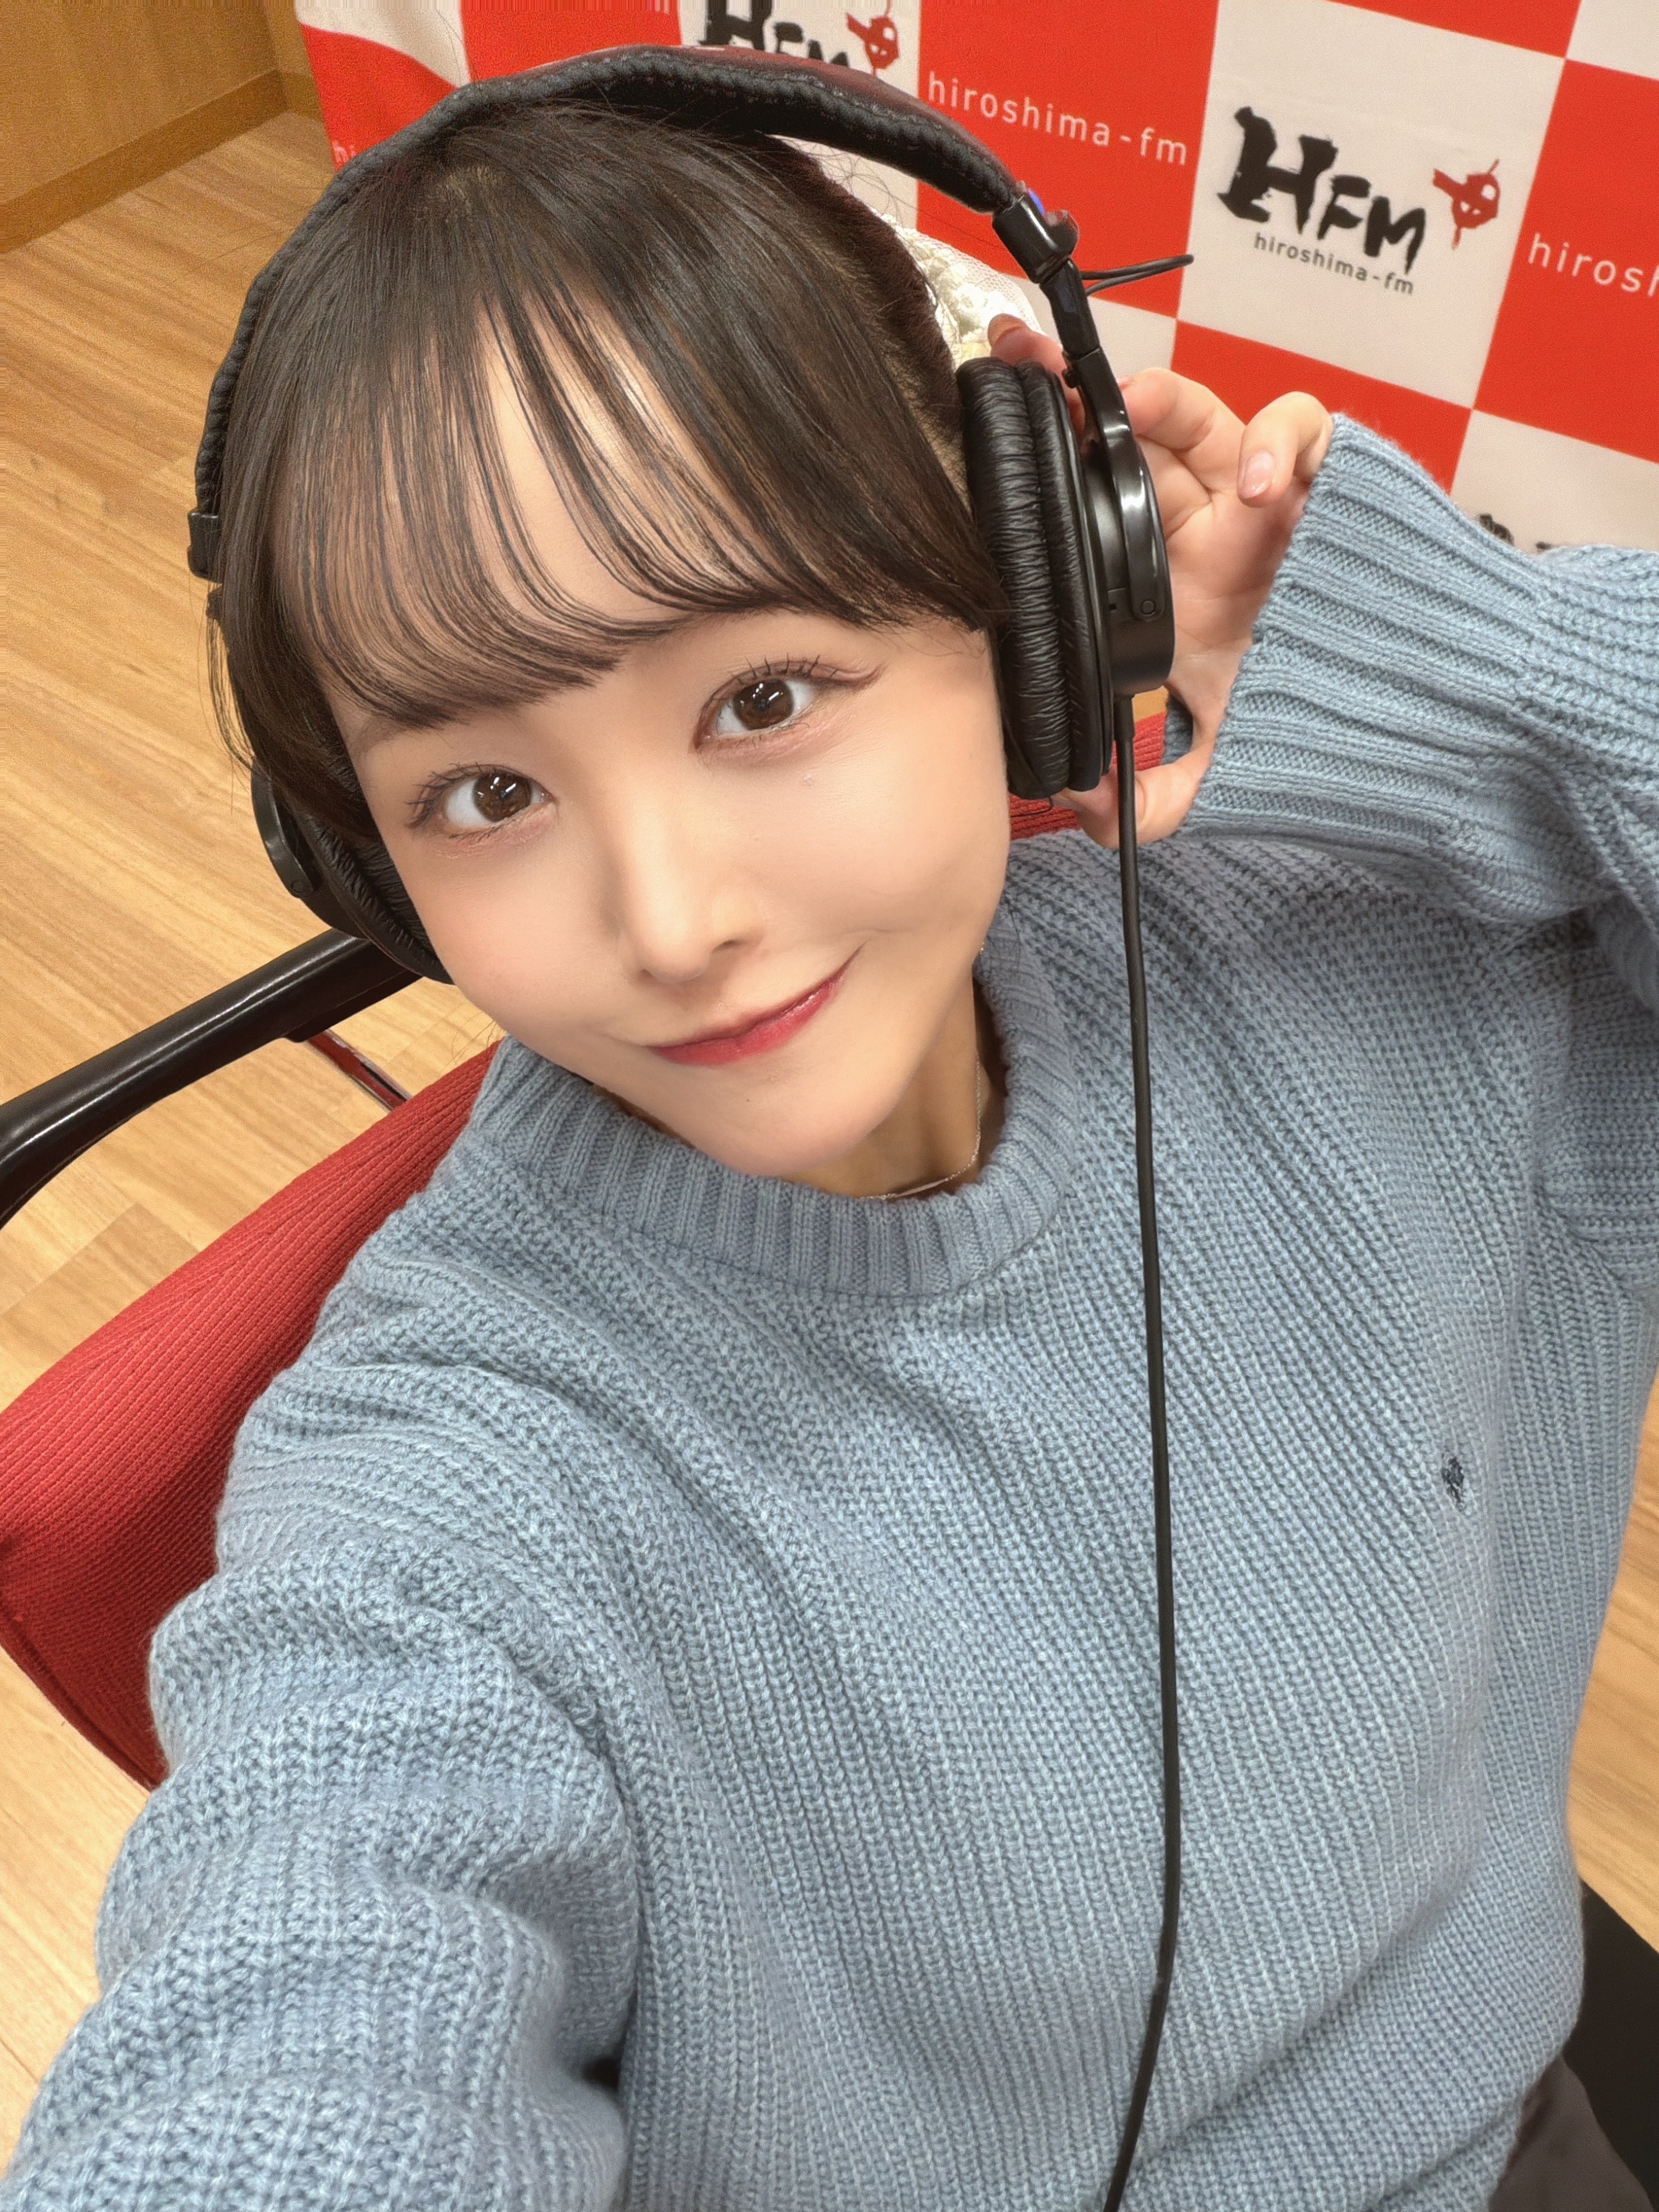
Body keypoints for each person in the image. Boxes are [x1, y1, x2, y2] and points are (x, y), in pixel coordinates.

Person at [5, 79, 1655, 2212]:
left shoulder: (1373, 968)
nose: (673, 919)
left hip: (1507, 2119)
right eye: (488, 795)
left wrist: (1478, 672)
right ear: (367, 862)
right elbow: (300, 2005)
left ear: (1028, 605)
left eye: (764, 696)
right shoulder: (436, 1499)